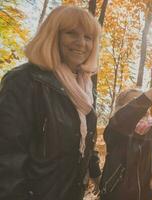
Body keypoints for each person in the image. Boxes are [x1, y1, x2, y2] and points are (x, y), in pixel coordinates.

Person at [0, 6, 102, 200]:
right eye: (71, 33)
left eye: (88, 37)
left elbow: (84, 145)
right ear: (52, 35)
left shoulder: (84, 88)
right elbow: (6, 158)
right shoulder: (24, 81)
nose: (81, 43)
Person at [99, 71, 152, 200]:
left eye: (144, 101)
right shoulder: (115, 130)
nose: (143, 105)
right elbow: (124, 119)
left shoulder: (150, 132)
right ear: (122, 108)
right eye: (134, 101)